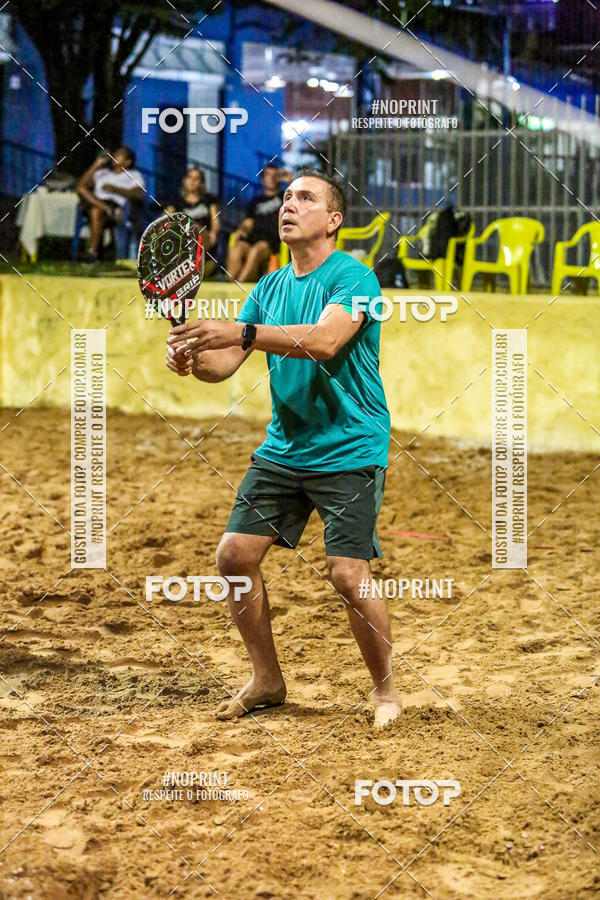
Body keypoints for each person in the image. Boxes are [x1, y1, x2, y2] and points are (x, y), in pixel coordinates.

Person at [166, 168, 402, 729]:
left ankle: (386, 693)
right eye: (287, 197)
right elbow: (223, 365)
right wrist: (191, 358)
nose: (289, 205)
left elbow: (325, 341)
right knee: (234, 556)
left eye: (305, 197)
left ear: (333, 220)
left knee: (347, 574)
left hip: (350, 447)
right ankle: (267, 681)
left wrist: (241, 333)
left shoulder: (356, 278)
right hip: (286, 448)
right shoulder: (269, 287)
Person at [76, 147, 146, 262]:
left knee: (96, 211)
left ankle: (92, 252)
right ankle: (106, 209)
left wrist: (114, 188)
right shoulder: (102, 173)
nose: (115, 156)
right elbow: (81, 186)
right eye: (115, 153)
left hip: (117, 206)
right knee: (83, 192)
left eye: (120, 155)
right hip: (97, 202)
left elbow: (139, 194)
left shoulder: (133, 174)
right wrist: (97, 164)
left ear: (128, 162)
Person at [226, 164, 287, 282]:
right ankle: (230, 282)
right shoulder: (255, 201)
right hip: (253, 239)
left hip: (271, 243)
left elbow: (299, 195)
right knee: (236, 248)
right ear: (262, 179)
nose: (271, 178)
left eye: (275, 175)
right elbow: (248, 222)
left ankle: (238, 286)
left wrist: (290, 180)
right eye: (268, 175)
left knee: (256, 249)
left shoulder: (284, 197)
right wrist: (241, 230)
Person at [165, 167, 220, 277]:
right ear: (184, 180)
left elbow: (215, 221)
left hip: (205, 240)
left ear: (201, 183)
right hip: (183, 240)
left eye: (196, 179)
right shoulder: (177, 202)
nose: (192, 181)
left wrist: (214, 232)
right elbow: (165, 219)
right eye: (189, 178)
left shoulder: (209, 199)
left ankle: (196, 264)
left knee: (195, 227)